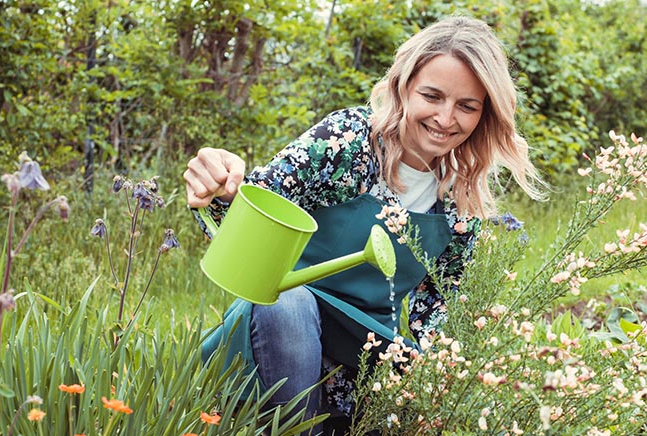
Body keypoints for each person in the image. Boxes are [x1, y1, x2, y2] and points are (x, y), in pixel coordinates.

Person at [183, 16, 545, 432]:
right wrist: (221, 189)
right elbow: (250, 216)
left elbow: (439, 315)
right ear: (403, 87)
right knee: (289, 300)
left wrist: (446, 385)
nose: (447, 119)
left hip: (361, 362)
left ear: (484, 115)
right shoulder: (348, 143)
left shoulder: (462, 200)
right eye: (432, 96)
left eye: (467, 106)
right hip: (272, 345)